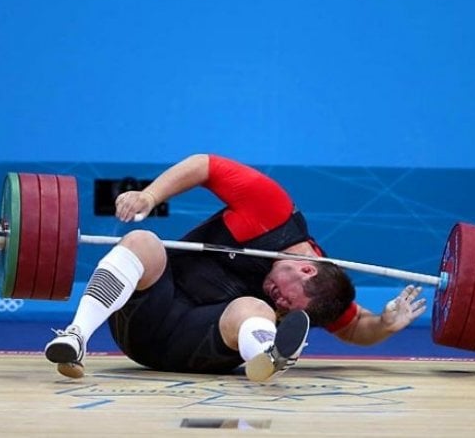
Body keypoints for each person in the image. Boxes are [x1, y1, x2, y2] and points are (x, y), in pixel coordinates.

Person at [44, 154, 427, 381]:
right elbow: (204, 165)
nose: (278, 299)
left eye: (286, 309)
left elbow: (356, 326)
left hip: (203, 347)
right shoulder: (271, 211)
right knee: (144, 242)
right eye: (283, 295)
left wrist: (385, 324)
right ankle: (76, 337)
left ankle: (267, 355)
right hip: (144, 320)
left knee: (256, 309)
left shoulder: (325, 295)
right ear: (307, 269)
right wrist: (150, 194)